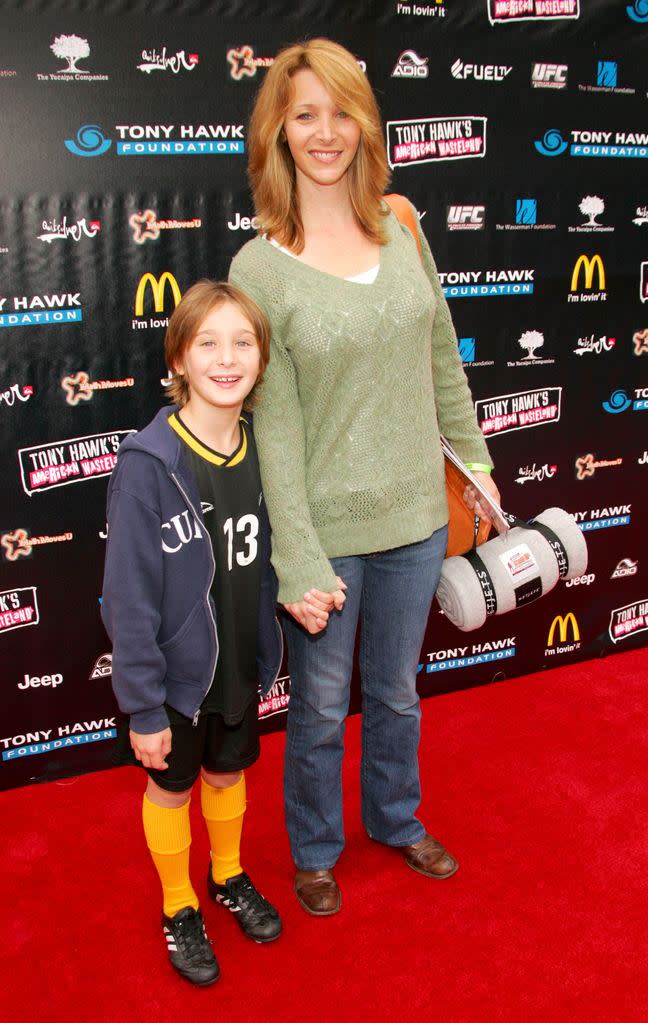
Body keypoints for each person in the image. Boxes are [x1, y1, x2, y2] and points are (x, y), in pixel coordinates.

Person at [229, 38, 501, 917]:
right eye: (304, 113)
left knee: (395, 691)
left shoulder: (401, 224)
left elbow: (440, 359)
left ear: (365, 124)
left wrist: (479, 464)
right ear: (277, 129)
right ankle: (314, 848)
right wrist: (300, 558)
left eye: (341, 110)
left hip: (420, 517)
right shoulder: (259, 267)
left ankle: (394, 817)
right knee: (314, 711)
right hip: (329, 536)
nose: (325, 131)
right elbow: (273, 424)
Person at [101, 280, 283, 986]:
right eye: (207, 342)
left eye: (243, 342)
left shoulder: (264, 450)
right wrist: (143, 706)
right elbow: (128, 596)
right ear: (178, 357)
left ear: (262, 360)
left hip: (237, 660)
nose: (226, 357)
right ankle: (179, 904)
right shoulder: (148, 463)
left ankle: (228, 873)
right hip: (175, 676)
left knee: (229, 769)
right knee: (172, 788)